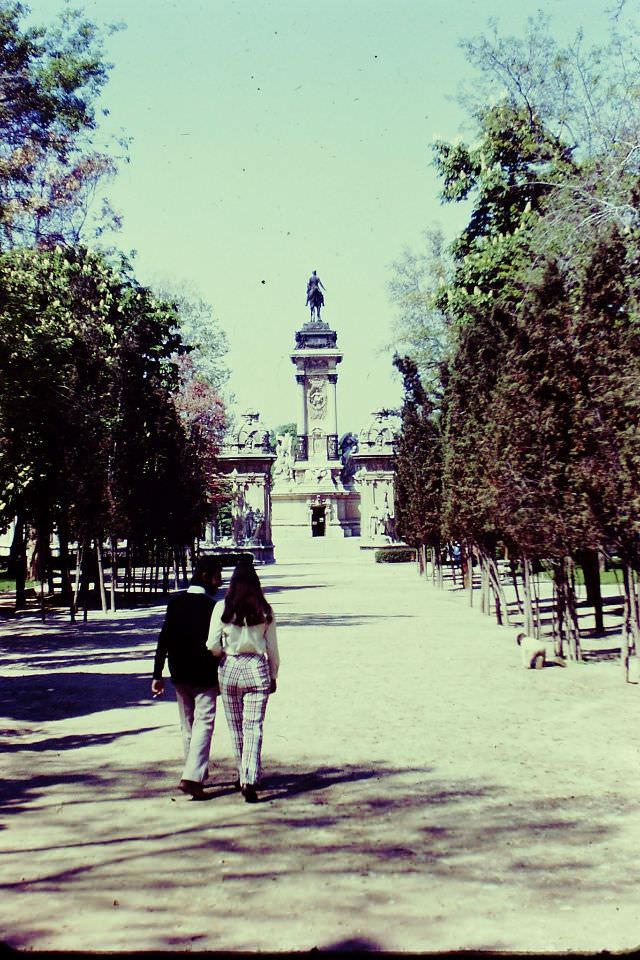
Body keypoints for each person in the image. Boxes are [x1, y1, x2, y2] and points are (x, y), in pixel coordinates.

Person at [206, 559, 280, 803]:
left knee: (236, 727)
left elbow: (212, 644)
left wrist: (222, 656)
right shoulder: (265, 609)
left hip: (231, 666)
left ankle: (243, 773)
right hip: (257, 666)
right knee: (254, 726)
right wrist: (273, 674)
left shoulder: (222, 608)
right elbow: (273, 649)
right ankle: (250, 777)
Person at [151, 555, 223, 800]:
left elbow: (164, 638)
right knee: (205, 724)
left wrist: (157, 673)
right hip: (205, 674)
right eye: (217, 575)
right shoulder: (212, 607)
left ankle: (195, 776)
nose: (219, 581)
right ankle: (192, 777)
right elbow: (218, 643)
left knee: (187, 726)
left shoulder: (175, 603)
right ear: (205, 576)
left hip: (179, 673)